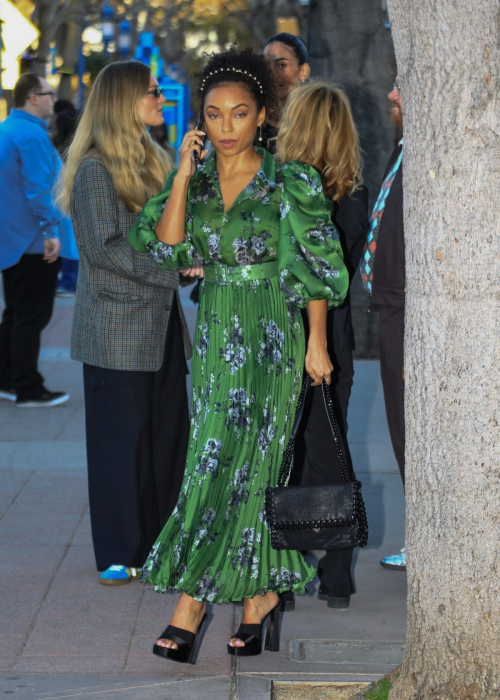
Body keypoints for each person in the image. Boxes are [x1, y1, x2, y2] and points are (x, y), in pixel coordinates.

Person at [128, 47, 348, 663]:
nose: (227, 127)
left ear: (262, 117)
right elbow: (163, 247)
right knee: (211, 465)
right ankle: (231, 598)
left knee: (259, 470)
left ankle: (222, 605)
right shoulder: (193, 184)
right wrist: (178, 176)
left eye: (240, 114)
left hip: (277, 338)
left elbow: (316, 268)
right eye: (215, 115)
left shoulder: (290, 180)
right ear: (200, 120)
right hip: (220, 332)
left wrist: (319, 342)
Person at [57, 61, 192, 585]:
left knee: (165, 442)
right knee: (121, 444)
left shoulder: (155, 157)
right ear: (124, 100)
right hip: (115, 330)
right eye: (153, 92)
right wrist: (174, 268)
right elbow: (103, 249)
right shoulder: (94, 168)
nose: (162, 99)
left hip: (159, 329)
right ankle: (120, 550)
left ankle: (161, 544)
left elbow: (174, 230)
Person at [275, 81, 369, 608]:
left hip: (289, 332)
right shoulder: (354, 195)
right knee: (329, 445)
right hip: (336, 336)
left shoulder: (283, 188)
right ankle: (336, 572)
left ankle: (283, 568)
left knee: (285, 449)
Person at [0, 73, 69, 408]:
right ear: (32, 97)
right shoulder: (31, 136)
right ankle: (28, 387)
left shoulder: (6, 130)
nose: (53, 99)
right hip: (32, 240)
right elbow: (39, 190)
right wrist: (50, 231)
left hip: (11, 239)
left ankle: (8, 378)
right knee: (32, 316)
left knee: (15, 313)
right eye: (48, 93)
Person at [359, 76, 405, 571]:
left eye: (400, 86)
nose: (391, 96)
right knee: (401, 432)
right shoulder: (402, 149)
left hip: (407, 313)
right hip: (392, 309)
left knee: (412, 432)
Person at [262, 33, 311, 151]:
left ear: (303, 71)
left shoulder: (318, 121)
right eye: (266, 66)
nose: (272, 74)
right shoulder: (252, 121)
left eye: (281, 65)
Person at [52, 100, 80, 297]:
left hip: (67, 194)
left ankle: (69, 280)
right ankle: (70, 279)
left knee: (69, 237)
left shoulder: (61, 146)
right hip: (74, 194)